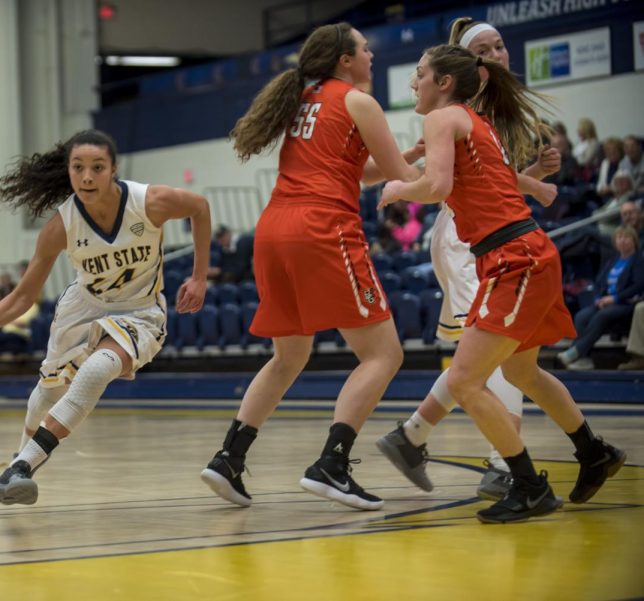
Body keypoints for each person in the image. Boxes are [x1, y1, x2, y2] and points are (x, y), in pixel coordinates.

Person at [379, 43, 625, 523]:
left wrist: (398, 190)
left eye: (420, 73)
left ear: (444, 82)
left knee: (467, 381)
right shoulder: (477, 123)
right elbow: (489, 185)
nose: (413, 82)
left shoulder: (444, 118)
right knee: (520, 373)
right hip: (522, 254)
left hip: (515, 259)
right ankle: (593, 453)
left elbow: (437, 187)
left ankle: (529, 485)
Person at [199, 22, 423, 511]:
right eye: (365, 49)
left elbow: (353, 171)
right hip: (323, 229)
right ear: (346, 59)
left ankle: (228, 458)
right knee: (384, 355)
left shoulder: (305, 98)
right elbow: (403, 180)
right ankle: (332, 464)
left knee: (289, 357)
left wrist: (407, 157)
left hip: (274, 228)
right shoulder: (360, 101)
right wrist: (441, 169)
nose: (371, 55)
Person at [0, 129, 211, 505]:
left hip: (140, 311)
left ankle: (20, 468)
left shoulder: (149, 202)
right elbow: (22, 296)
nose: (86, 177)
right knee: (47, 393)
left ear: (113, 169)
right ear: (68, 171)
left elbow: (199, 207)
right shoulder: (61, 226)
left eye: (97, 168)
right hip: (83, 308)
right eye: (78, 168)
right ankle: (20, 464)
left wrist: (199, 277)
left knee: (97, 370)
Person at [377, 17, 561, 500]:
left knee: (483, 357)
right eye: (483, 48)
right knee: (491, 359)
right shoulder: (457, 107)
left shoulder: (481, 107)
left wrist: (534, 179)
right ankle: (505, 463)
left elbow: (490, 175)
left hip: (486, 237)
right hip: (468, 239)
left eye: (500, 45)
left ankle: (412, 434)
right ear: (462, 66)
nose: (495, 54)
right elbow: (443, 181)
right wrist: (536, 184)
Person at [556, 226, 644, 370]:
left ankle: (576, 351)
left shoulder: (638, 260)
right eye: (620, 237)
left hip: (626, 303)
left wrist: (614, 299)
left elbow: (637, 286)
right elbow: (599, 282)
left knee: (602, 315)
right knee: (581, 316)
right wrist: (598, 298)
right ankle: (584, 358)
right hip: (606, 302)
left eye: (627, 237)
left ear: (634, 240)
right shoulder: (613, 259)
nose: (623, 241)